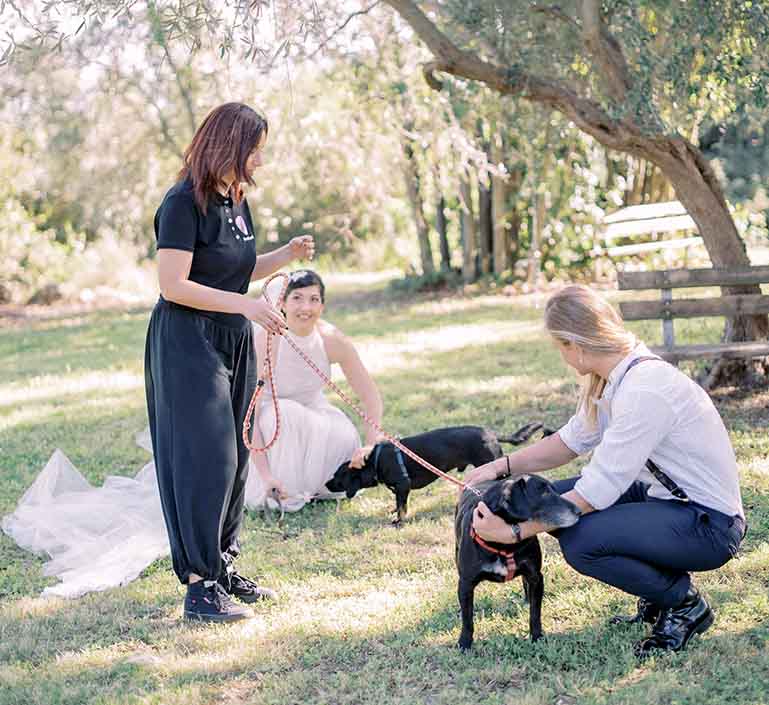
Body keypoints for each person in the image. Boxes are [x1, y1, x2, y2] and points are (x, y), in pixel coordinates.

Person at [466, 284, 745, 658]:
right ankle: (658, 594)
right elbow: (568, 442)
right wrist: (498, 467)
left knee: (582, 541)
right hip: (662, 496)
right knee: (545, 501)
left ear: (575, 343)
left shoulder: (644, 390)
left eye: (559, 346)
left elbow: (595, 491)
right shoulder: (617, 377)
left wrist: (514, 531)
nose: (561, 356)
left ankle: (684, 604)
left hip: (710, 523)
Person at [144, 102, 315, 623]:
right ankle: (198, 588)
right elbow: (173, 284)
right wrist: (245, 305)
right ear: (231, 147)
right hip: (186, 341)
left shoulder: (238, 201)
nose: (260, 160)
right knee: (207, 459)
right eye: (255, 149)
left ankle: (221, 568)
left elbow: (234, 270)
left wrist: (284, 255)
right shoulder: (182, 202)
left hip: (234, 338)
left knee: (239, 456)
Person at [246, 269, 384, 512]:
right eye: (297, 298)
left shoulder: (331, 339)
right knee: (289, 415)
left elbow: (370, 395)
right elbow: (250, 416)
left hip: (314, 410)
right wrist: (265, 474)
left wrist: (371, 445)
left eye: (314, 299)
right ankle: (278, 486)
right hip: (271, 416)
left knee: (342, 433)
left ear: (322, 305)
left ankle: (318, 486)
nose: (305, 307)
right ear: (283, 304)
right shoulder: (266, 340)